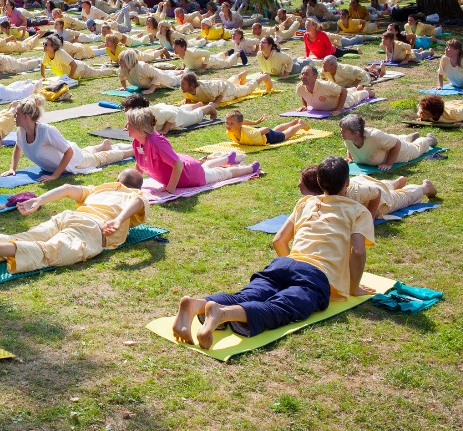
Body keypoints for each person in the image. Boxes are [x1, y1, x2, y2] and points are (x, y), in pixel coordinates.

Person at [172, 156, 373, 350]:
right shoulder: (358, 211)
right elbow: (358, 251)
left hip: (283, 265)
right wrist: (354, 287)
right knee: (282, 307)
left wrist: (291, 269)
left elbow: (279, 240)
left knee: (248, 295)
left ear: (319, 182)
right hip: (316, 275)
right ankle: (222, 313)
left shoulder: (306, 202)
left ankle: (196, 305)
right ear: (347, 182)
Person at [0, 168, 148, 278]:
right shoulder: (134, 194)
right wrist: (119, 219)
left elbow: (67, 188)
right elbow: (138, 201)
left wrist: (39, 200)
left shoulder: (99, 188)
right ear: (137, 187)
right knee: (51, 251)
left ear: (116, 179)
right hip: (92, 228)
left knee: (28, 236)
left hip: (68, 217)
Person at [126, 107, 259, 193]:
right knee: (205, 168)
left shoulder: (156, 143)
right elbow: (140, 161)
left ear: (140, 128)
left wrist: (169, 191)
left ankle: (250, 168)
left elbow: (177, 164)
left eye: (129, 124)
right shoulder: (138, 140)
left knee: (221, 173)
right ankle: (227, 158)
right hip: (190, 168)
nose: (125, 126)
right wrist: (135, 183)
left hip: (191, 176)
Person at [2, 95, 133, 183]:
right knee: (84, 152)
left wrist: (55, 176)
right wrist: (12, 168)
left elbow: (69, 152)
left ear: (26, 116)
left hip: (76, 161)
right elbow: (18, 147)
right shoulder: (21, 131)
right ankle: (103, 145)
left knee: (102, 158)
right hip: (70, 155)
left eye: (17, 114)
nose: (14, 116)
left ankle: (132, 151)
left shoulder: (46, 131)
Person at [297, 164, 436, 222]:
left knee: (403, 197)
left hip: (380, 199)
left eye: (302, 184)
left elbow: (376, 193)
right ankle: (394, 183)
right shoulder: (328, 190)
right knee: (380, 186)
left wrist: (370, 217)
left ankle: (424, 187)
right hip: (367, 185)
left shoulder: (354, 193)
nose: (298, 186)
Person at [338, 114, 437, 170]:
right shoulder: (348, 138)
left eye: (344, 130)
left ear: (356, 132)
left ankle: (429, 140)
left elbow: (397, 144)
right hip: (388, 141)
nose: (341, 132)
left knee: (416, 148)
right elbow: (351, 147)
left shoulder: (375, 136)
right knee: (391, 139)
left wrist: (389, 164)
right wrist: (349, 158)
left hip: (401, 151)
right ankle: (407, 137)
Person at [121, 94, 217, 135]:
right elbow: (133, 119)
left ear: (137, 109)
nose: (125, 110)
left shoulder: (155, 117)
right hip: (168, 109)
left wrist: (164, 130)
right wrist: (128, 124)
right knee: (182, 109)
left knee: (195, 116)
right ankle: (197, 105)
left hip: (175, 115)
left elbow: (172, 115)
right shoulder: (139, 113)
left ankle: (209, 107)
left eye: (127, 108)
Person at [295, 65, 373, 113]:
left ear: (315, 76)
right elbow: (303, 93)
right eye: (302, 74)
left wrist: (338, 110)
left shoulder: (325, 85)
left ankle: (367, 91)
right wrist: (304, 105)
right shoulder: (300, 87)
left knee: (358, 96)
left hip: (344, 101)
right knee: (348, 90)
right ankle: (355, 89)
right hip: (333, 94)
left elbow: (344, 91)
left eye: (307, 74)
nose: (303, 77)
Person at [179, 70, 272, 106]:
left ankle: (263, 76)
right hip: (221, 84)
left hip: (226, 90)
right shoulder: (185, 89)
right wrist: (187, 98)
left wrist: (216, 103)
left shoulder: (208, 90)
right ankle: (239, 76)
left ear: (192, 85)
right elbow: (189, 94)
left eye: (183, 83)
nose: (181, 85)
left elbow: (222, 91)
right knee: (228, 82)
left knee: (247, 89)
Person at [40, 35, 113, 80]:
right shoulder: (46, 53)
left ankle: (115, 71)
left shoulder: (60, 53)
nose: (43, 46)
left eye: (46, 44)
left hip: (81, 70)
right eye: (43, 43)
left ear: (53, 47)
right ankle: (103, 67)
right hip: (74, 74)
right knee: (98, 71)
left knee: (99, 73)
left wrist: (69, 79)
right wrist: (43, 77)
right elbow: (43, 64)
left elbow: (74, 65)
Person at [224, 110, 309, 146]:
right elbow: (242, 121)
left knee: (285, 135)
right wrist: (255, 122)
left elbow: (266, 129)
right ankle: (292, 123)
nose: (228, 125)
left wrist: (257, 129)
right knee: (275, 130)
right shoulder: (230, 132)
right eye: (227, 122)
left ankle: (300, 125)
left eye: (232, 123)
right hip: (258, 133)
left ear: (239, 124)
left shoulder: (249, 134)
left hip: (268, 137)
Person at [117, 49, 182, 93]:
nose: (118, 62)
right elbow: (121, 75)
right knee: (171, 74)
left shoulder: (142, 67)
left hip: (163, 79)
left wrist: (151, 90)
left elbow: (157, 76)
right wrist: (124, 87)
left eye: (121, 60)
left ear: (128, 61)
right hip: (157, 74)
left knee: (178, 79)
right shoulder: (123, 68)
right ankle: (178, 73)